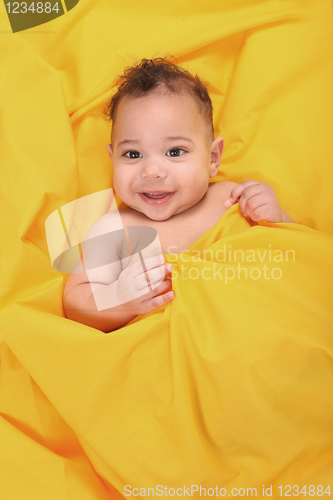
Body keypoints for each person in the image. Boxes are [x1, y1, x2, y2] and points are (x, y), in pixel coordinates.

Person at [63, 57, 295, 333]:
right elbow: (76, 302)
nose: (152, 171)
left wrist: (277, 218)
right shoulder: (115, 229)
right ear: (113, 159)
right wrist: (120, 298)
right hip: (179, 349)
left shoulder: (232, 197)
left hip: (263, 325)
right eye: (133, 154)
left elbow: (292, 257)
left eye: (174, 152)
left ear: (213, 158)